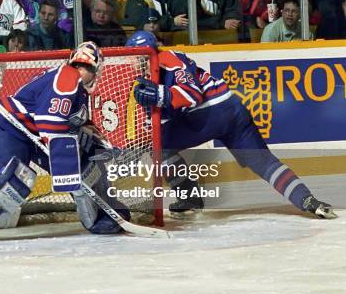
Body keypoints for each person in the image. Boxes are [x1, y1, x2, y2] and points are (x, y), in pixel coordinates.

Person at [127, 30, 337, 219]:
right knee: (263, 162)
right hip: (229, 112)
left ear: (155, 51)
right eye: (136, 58)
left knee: (159, 148)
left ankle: (190, 197)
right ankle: (308, 201)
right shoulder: (142, 85)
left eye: (144, 55)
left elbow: (192, 95)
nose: (140, 62)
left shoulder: (168, 58)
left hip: (217, 110)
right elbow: (157, 125)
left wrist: (161, 97)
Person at [0, 41, 131, 243]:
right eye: (78, 65)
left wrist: (101, 144)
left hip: (32, 133)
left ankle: (101, 213)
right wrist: (68, 163)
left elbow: (75, 124)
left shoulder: (77, 91)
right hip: (10, 127)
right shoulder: (67, 77)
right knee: (16, 180)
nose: (80, 71)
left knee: (87, 160)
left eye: (86, 67)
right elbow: (49, 123)